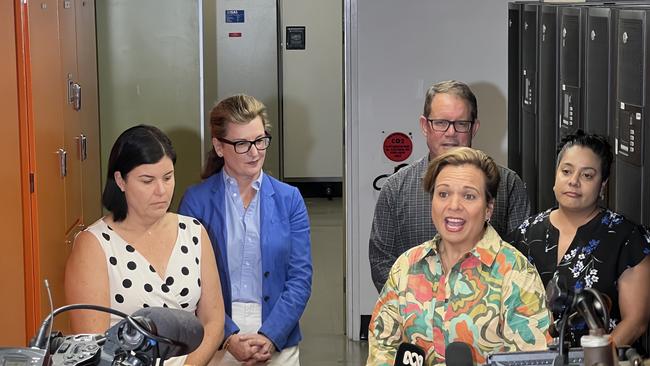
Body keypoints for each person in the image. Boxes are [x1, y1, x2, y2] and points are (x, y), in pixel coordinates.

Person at [367, 147, 550, 366]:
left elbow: (533, 359)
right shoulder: (407, 266)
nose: (453, 206)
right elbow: (382, 348)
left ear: (488, 208)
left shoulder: (516, 274)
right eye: (443, 194)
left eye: (469, 196)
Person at [65, 125, 225, 366]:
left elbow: (213, 321)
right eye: (147, 180)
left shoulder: (193, 231)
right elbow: (93, 347)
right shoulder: (94, 245)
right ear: (121, 180)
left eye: (168, 177)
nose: (161, 191)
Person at [179, 94, 312, 366]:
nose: (254, 152)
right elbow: (190, 280)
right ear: (219, 146)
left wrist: (271, 335)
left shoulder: (290, 199)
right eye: (242, 144)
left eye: (260, 140)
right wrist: (228, 337)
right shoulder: (196, 201)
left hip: (278, 332)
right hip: (214, 331)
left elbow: (300, 277)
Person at [369, 80, 530, 292]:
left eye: (461, 124)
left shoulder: (508, 185)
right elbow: (382, 262)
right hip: (416, 317)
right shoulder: (395, 189)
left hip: (488, 315)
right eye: (440, 123)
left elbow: (522, 259)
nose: (451, 132)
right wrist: (419, 307)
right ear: (425, 126)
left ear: (475, 128)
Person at [508, 131, 650, 348]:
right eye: (566, 171)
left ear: (602, 185)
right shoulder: (525, 233)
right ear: (556, 175)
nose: (573, 181)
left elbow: (635, 322)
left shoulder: (627, 238)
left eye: (587, 175)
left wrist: (591, 359)